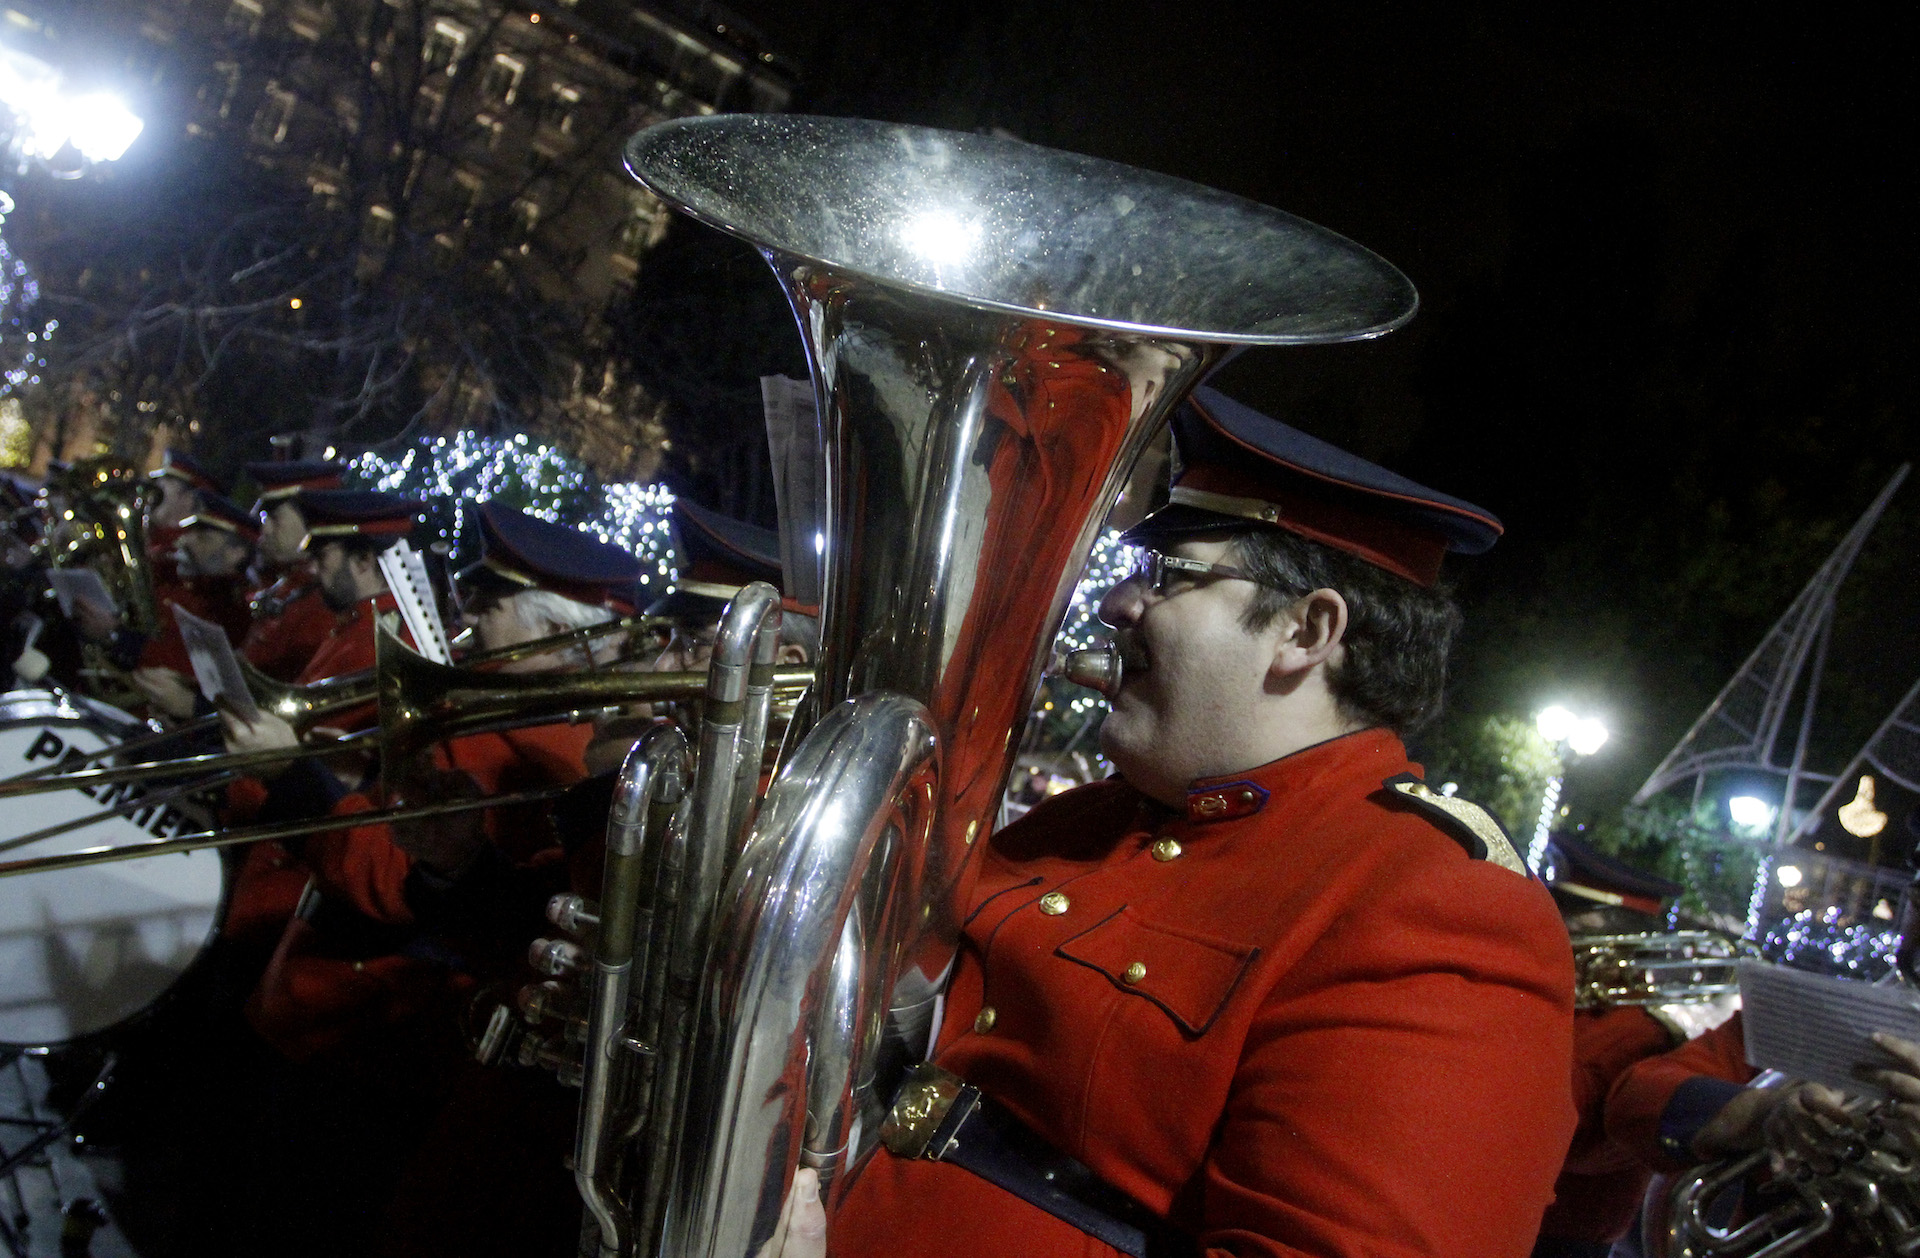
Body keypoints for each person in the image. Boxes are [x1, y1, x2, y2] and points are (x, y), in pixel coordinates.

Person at [793, 387, 1576, 1258]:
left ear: (1307, 631)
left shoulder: (1439, 904)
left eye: (1170, 575)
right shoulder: (1092, 817)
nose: (1116, 604)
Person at [1533, 837, 1732, 1258]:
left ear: (1611, 937)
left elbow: (1557, 1129)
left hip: (1556, 1233)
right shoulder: (1574, 1004)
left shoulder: (1640, 1032)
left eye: (1569, 924)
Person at [128, 493, 260, 720]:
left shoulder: (233, 610)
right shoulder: (186, 586)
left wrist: (120, 639)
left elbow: (185, 668)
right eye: (190, 532)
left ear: (236, 553)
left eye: (202, 537)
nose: (185, 541)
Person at [239, 459, 347, 681]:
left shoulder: (325, 602)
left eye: (275, 518)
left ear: (312, 521)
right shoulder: (287, 585)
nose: (265, 529)